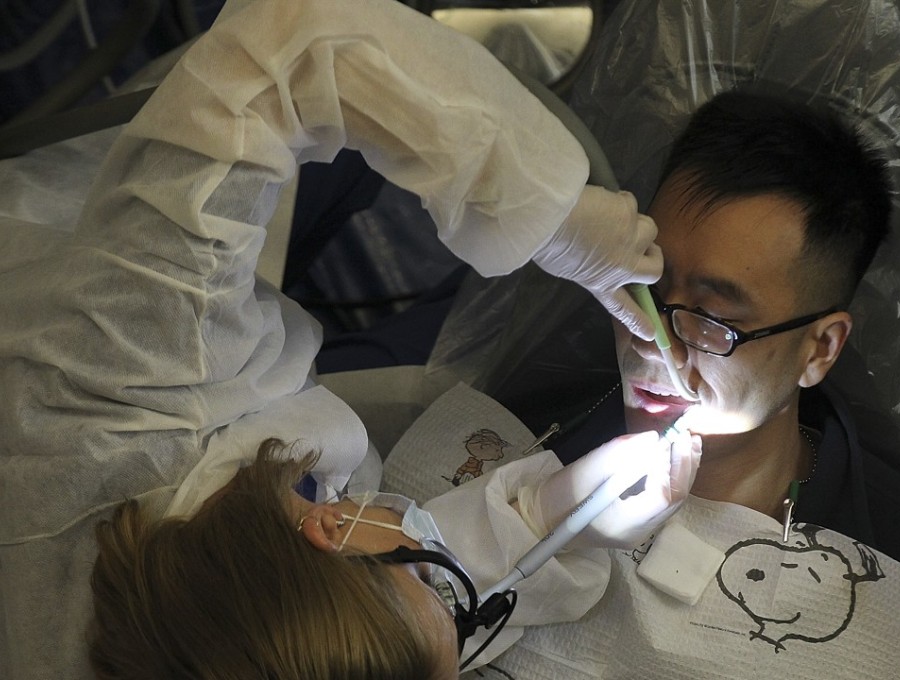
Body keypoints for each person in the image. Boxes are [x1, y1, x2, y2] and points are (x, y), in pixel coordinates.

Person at [0, 0, 703, 678]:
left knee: (353, 145)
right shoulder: (236, 624)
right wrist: (549, 521)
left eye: (437, 588)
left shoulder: (127, 368)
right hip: (242, 365)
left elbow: (289, 50)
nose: (442, 578)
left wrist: (546, 214)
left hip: (69, 262)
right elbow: (382, 631)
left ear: (326, 531)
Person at [463, 89, 900, 679]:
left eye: (712, 320)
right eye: (645, 288)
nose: (656, 345)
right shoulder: (523, 441)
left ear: (819, 348)